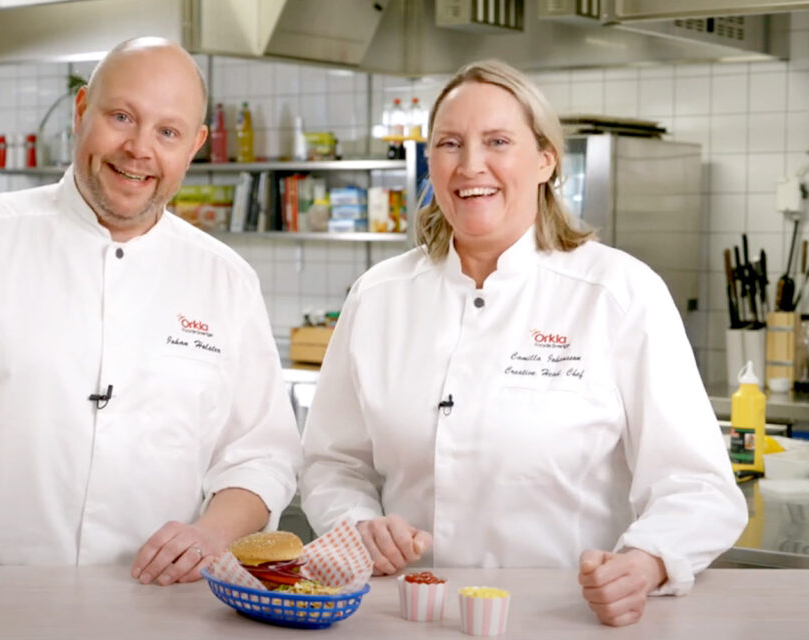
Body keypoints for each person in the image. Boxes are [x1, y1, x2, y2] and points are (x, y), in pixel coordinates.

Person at [0, 38, 300, 626]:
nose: (139, 150)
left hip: (157, 612)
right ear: (82, 112)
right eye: (121, 117)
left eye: (168, 132)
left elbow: (261, 455)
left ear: (196, 146)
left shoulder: (226, 281)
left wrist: (210, 533)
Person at [299, 59, 747, 628]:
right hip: (407, 614)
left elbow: (698, 484)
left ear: (544, 160)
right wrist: (358, 523)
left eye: (498, 141)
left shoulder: (618, 293)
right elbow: (332, 462)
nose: (470, 166)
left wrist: (647, 561)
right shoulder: (378, 296)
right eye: (450, 143)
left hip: (563, 617)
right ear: (429, 161)